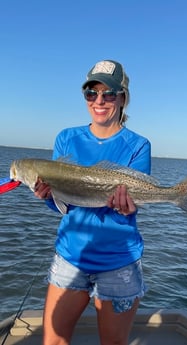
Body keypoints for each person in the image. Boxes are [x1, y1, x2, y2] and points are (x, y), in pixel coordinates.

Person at [35, 59, 151, 345]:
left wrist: (127, 206)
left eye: (109, 93)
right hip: (70, 258)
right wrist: (49, 197)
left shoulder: (139, 145)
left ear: (123, 98)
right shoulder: (66, 138)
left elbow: (128, 209)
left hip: (118, 261)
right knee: (54, 341)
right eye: (91, 93)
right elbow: (64, 205)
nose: (99, 100)